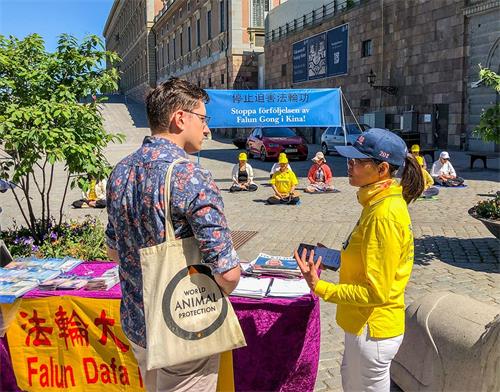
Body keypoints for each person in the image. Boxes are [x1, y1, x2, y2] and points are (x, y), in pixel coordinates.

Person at [106, 78, 241, 391]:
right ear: (181, 118)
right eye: (204, 119)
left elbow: (113, 250)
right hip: (183, 326)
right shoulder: (190, 175)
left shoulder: (121, 170)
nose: (207, 130)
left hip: (139, 325)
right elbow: (228, 272)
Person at [294, 128, 424, 392]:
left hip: (372, 328)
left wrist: (320, 287)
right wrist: (335, 256)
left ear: (382, 169)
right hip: (362, 326)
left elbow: (375, 291)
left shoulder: (383, 214)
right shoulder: (376, 204)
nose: (349, 166)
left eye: (356, 161)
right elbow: (367, 258)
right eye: (350, 160)